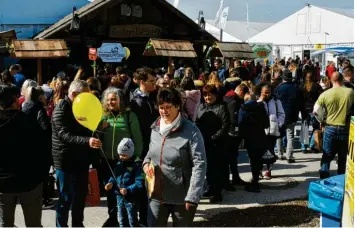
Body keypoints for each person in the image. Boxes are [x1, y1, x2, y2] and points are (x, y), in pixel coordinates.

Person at [143, 88, 207, 227]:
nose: (164, 111)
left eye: (168, 107)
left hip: (182, 197)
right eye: (161, 107)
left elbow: (200, 164)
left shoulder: (191, 131)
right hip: (156, 193)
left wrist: (193, 196)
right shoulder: (155, 127)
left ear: (178, 106)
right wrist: (146, 164)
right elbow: (150, 153)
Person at [52, 80, 103, 227]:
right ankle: (61, 225)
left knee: (80, 197)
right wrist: (87, 141)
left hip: (81, 159)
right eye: (85, 96)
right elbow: (64, 135)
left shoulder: (82, 106)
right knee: (65, 197)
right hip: (64, 160)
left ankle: (78, 224)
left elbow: (88, 127)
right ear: (74, 94)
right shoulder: (61, 107)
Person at [0, 84, 47, 227]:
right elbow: (42, 149)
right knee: (33, 224)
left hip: (3, 183)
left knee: (6, 224)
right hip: (29, 181)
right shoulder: (28, 121)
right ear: (15, 100)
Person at [100, 87, 143, 227]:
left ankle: (131, 221)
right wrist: (101, 127)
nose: (110, 102)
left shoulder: (130, 116)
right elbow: (95, 135)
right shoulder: (103, 116)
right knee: (111, 191)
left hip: (126, 161)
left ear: (120, 100)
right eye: (108, 99)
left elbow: (137, 139)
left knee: (127, 192)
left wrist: (136, 158)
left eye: (113, 99)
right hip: (108, 160)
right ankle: (113, 218)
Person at [130, 68, 158, 226]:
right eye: (151, 81)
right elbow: (143, 129)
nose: (154, 84)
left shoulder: (150, 97)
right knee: (144, 185)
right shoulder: (138, 102)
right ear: (142, 82)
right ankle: (143, 219)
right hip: (145, 149)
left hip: (150, 146)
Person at [314, 72, 354, 179]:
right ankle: (341, 183)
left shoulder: (325, 94)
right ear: (342, 80)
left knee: (326, 156)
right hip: (345, 128)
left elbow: (316, 111)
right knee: (342, 158)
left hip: (330, 127)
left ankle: (323, 181)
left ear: (331, 80)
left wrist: (322, 119)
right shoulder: (351, 92)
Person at [22, 86, 54, 209]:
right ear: (40, 97)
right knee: (43, 175)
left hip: (28, 147)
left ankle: (33, 199)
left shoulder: (24, 107)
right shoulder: (39, 109)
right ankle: (44, 199)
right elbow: (45, 128)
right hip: (40, 148)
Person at [196, 85, 229, 203]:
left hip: (217, 143)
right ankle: (210, 188)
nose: (207, 97)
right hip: (204, 142)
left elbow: (225, 126)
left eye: (210, 94)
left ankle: (217, 192)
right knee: (208, 168)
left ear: (215, 95)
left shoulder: (222, 107)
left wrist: (214, 138)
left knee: (217, 169)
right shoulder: (201, 107)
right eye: (205, 95)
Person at [105, 138, 144, 227]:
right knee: (121, 219)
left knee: (132, 220)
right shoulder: (119, 163)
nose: (121, 157)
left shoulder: (137, 165)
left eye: (124, 155)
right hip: (119, 196)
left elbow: (140, 183)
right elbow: (114, 176)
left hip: (131, 197)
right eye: (120, 155)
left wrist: (128, 189)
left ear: (130, 153)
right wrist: (110, 183)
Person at [238, 93, 270, 192]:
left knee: (253, 159)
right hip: (260, 136)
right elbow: (266, 124)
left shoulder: (243, 109)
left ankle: (255, 182)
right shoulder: (261, 107)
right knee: (258, 158)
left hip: (250, 138)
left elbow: (240, 123)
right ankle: (256, 178)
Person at [275, 70, 307, 163]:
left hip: (280, 115)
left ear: (283, 78)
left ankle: (280, 154)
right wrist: (304, 114)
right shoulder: (297, 89)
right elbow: (301, 104)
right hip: (292, 115)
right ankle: (289, 156)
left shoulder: (278, 88)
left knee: (279, 135)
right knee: (290, 136)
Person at [257, 83, 285, 179]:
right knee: (260, 152)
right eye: (265, 92)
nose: (267, 94)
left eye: (268, 92)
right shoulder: (258, 101)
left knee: (270, 151)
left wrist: (279, 123)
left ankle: (268, 170)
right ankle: (259, 170)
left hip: (273, 131)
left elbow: (281, 114)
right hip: (261, 131)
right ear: (261, 92)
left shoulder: (276, 101)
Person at [300, 71, 323, 153]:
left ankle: (303, 147)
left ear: (306, 78)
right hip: (314, 110)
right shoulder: (317, 86)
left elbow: (299, 99)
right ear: (313, 78)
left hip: (304, 110)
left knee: (304, 128)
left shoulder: (302, 86)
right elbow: (321, 97)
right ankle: (312, 144)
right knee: (316, 128)